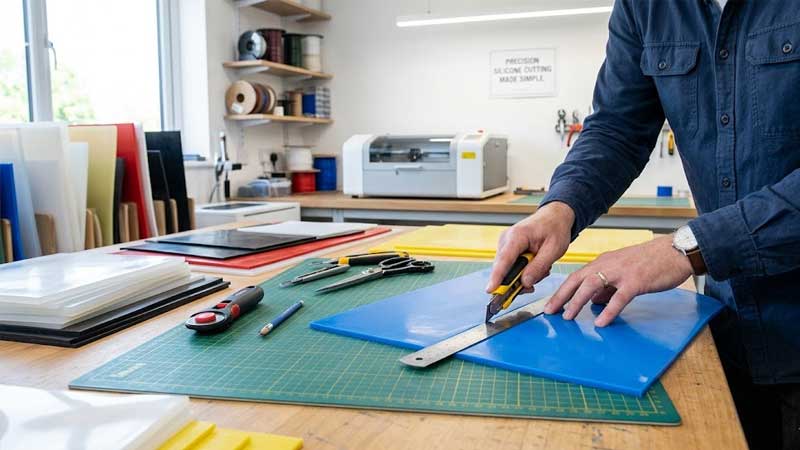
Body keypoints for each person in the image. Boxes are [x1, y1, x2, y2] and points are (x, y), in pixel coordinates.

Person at [485, 1, 800, 448]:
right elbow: (617, 127)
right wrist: (559, 208)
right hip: (734, 331)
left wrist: (688, 248)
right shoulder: (647, 6)